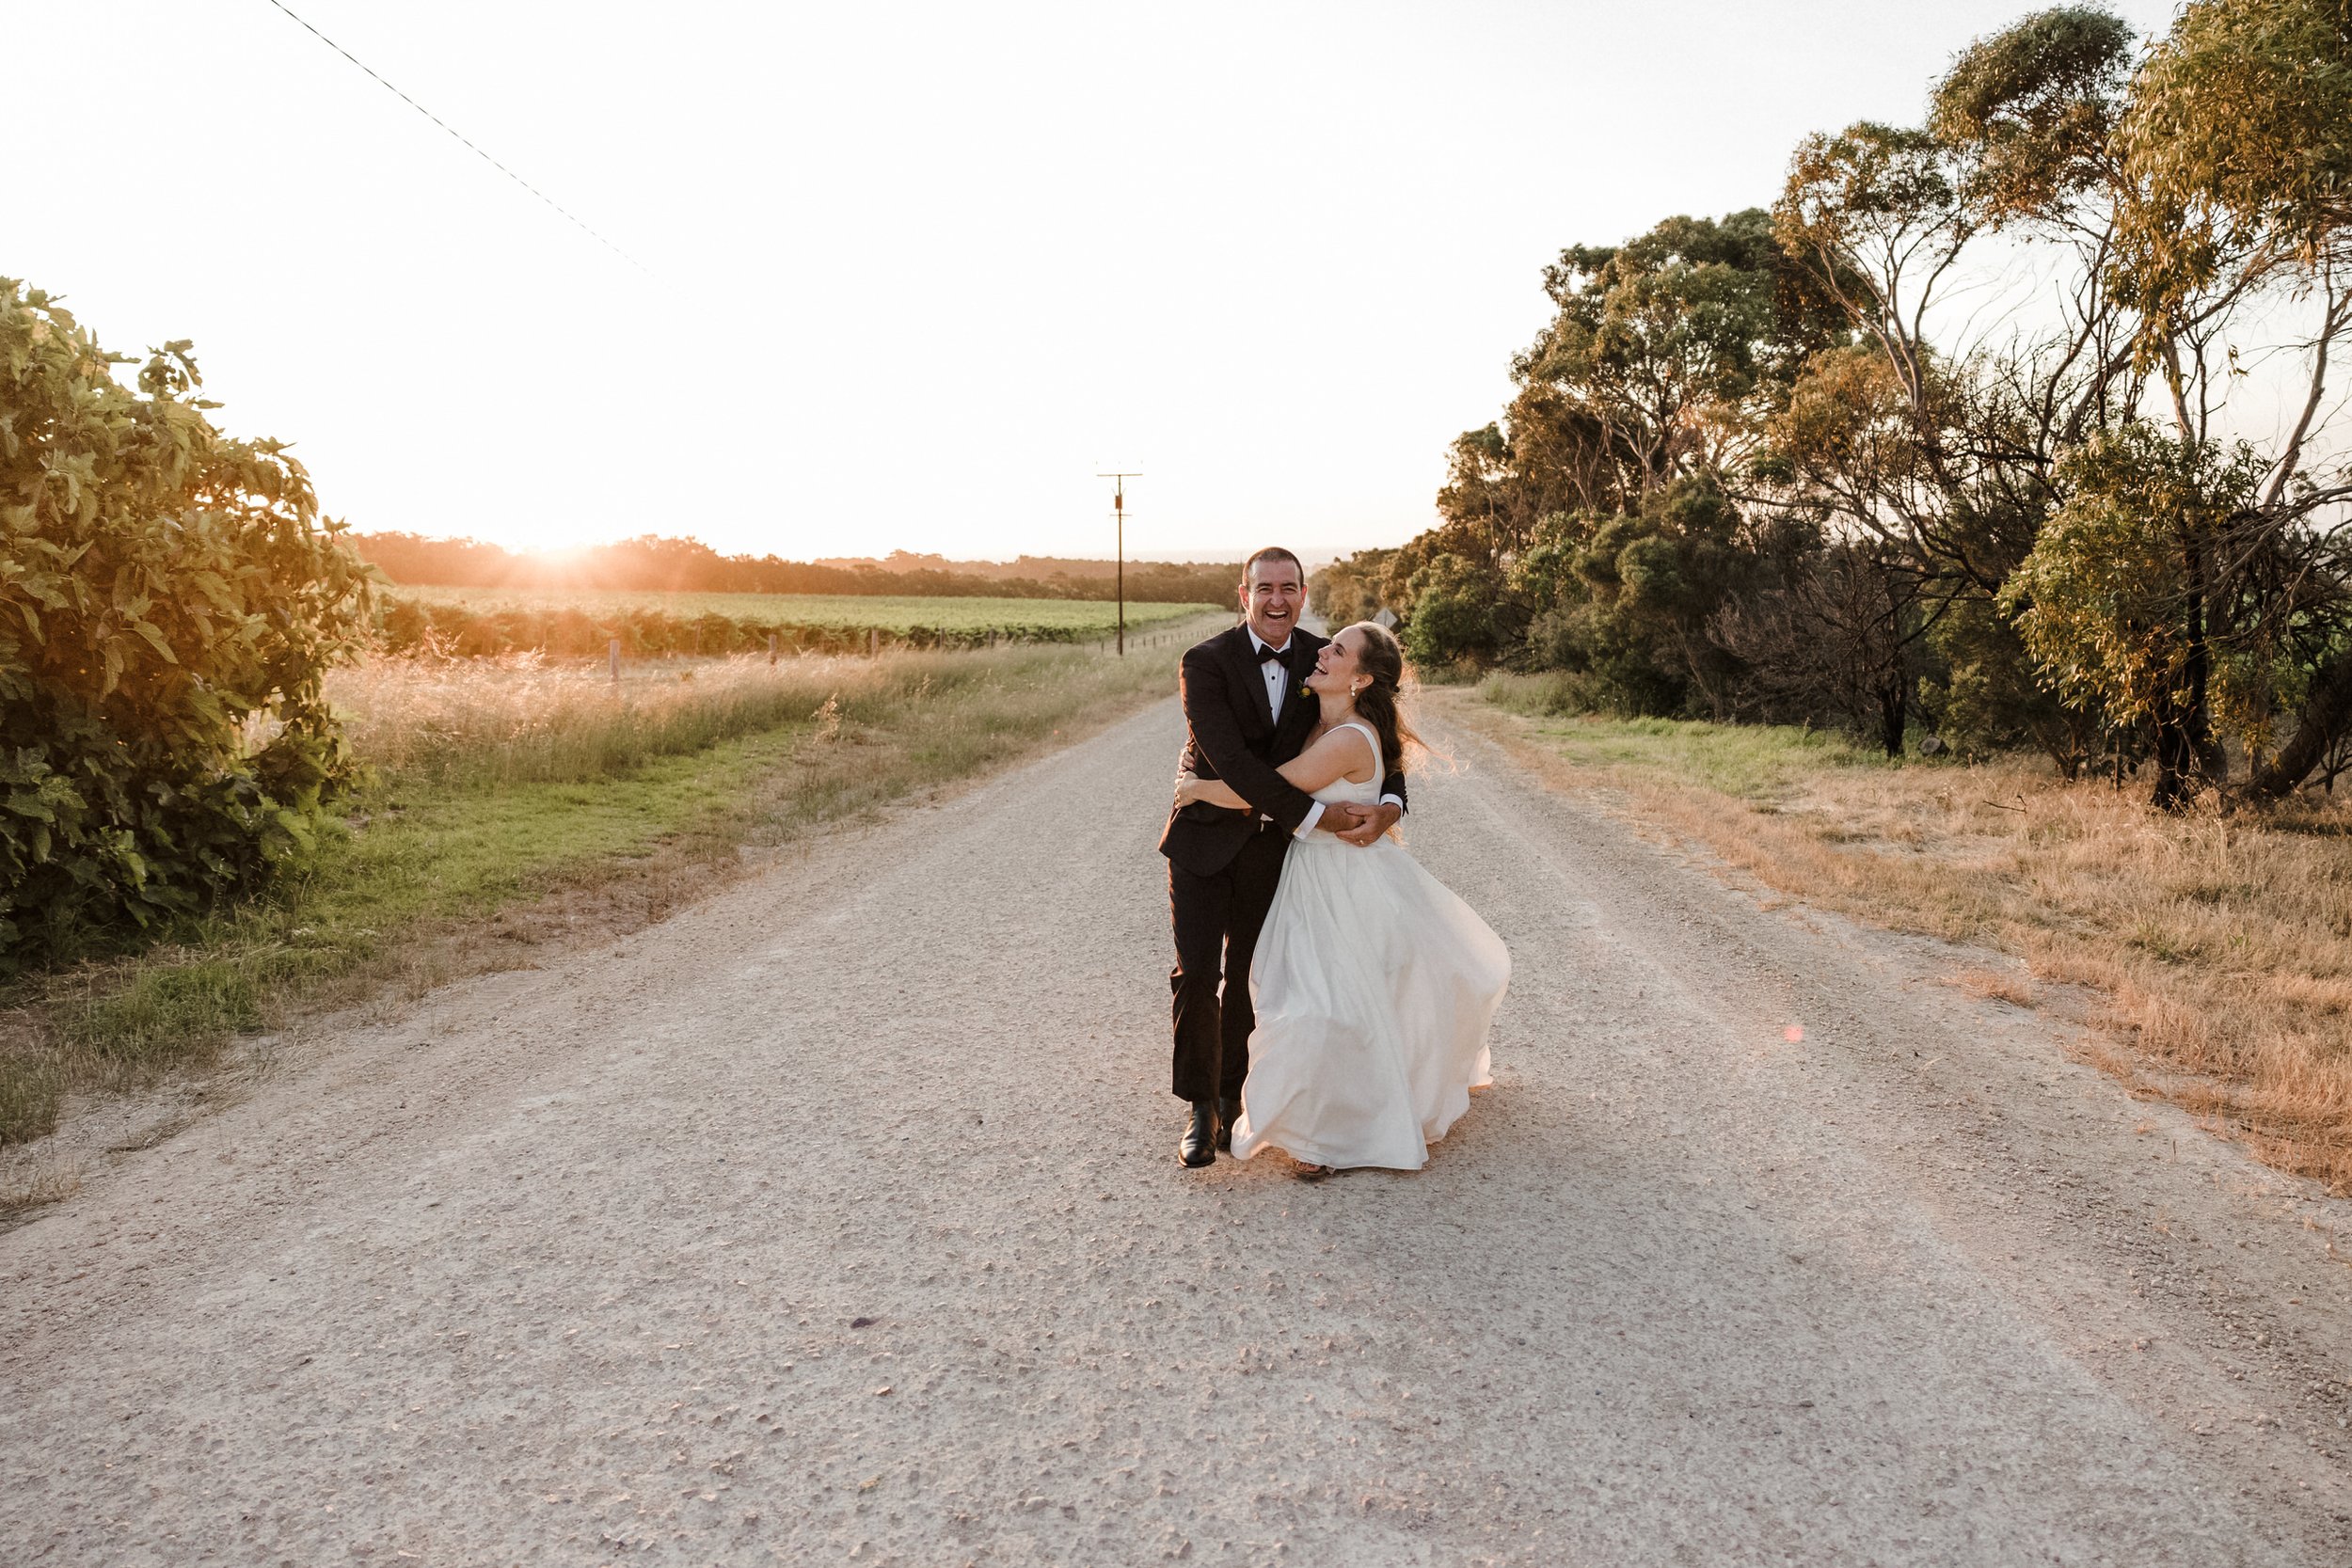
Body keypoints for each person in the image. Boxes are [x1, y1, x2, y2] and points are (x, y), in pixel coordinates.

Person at [1172, 620, 1509, 1176]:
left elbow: (1275, 787)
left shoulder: (1347, 732)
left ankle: (1328, 1129)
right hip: (1303, 871)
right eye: (1329, 644)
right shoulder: (1313, 706)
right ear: (1245, 594)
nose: (1325, 651)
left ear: (1362, 679)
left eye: (1339, 649)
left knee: (1323, 1002)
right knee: (1306, 993)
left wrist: (1198, 788)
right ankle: (1223, 1107)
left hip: (1341, 880)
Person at [1157, 548, 1405, 1169]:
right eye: (1263, 587)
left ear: (1301, 592)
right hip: (1204, 837)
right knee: (1196, 972)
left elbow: (1386, 742)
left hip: (1271, 850)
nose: (1276, 599)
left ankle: (1232, 1094)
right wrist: (1318, 817)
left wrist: (1391, 803)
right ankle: (1198, 1106)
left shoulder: (1323, 657)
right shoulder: (1204, 663)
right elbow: (1236, 764)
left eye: (1288, 587)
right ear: (1243, 593)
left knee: (1249, 974)